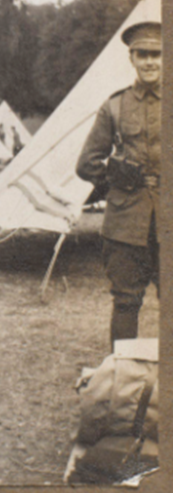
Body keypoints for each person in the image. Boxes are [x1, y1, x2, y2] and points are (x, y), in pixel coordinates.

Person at [76, 21, 161, 347]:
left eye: (157, 53)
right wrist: (118, 179)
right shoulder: (114, 105)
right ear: (132, 58)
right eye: (143, 54)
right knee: (126, 302)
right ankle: (124, 381)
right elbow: (86, 163)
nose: (151, 61)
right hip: (126, 223)